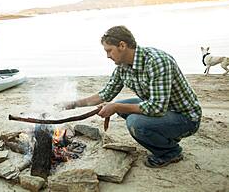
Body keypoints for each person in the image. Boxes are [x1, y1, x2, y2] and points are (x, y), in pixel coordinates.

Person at [63, 25, 201, 168]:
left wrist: (115, 106)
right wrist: (72, 104)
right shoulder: (123, 67)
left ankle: (171, 152)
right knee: (122, 108)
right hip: (163, 110)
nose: (107, 56)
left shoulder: (157, 61)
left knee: (135, 122)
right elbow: (105, 94)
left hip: (185, 118)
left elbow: (157, 108)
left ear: (122, 45)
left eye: (109, 50)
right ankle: (165, 136)